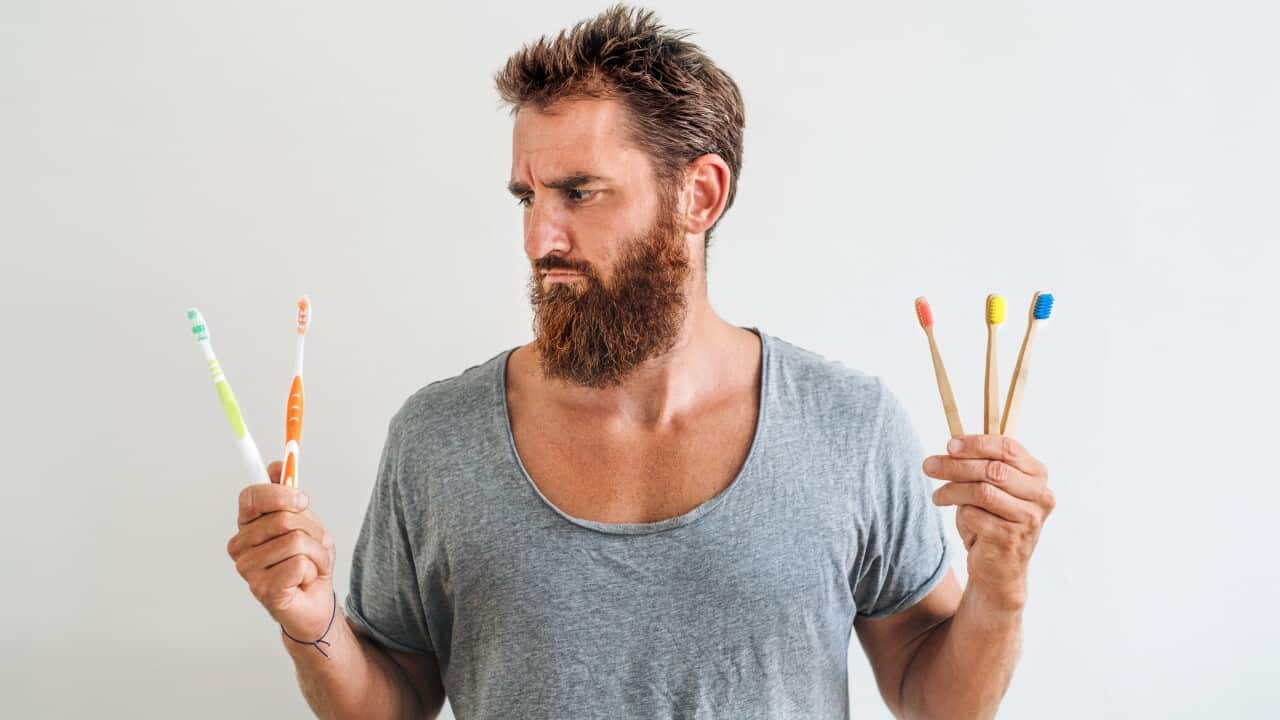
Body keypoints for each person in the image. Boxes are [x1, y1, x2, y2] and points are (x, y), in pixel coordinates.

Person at [226, 5, 1055, 718]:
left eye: (579, 192)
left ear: (699, 196)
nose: (537, 238)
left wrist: (1001, 587)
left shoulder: (849, 425)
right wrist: (311, 620)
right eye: (528, 196)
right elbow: (391, 703)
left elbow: (934, 695)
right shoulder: (438, 437)